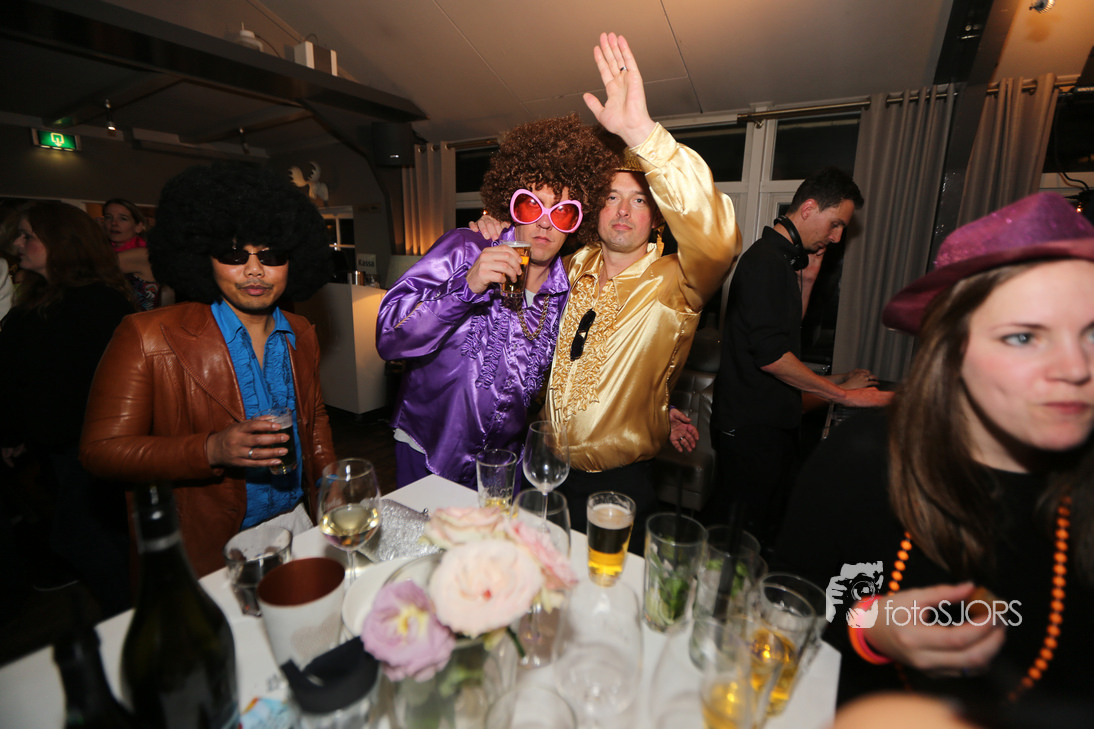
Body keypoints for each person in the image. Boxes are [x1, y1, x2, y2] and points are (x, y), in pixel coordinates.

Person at [775, 193, 1094, 714]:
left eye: (1092, 334)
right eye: (1023, 337)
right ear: (952, 350)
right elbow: (784, 605)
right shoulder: (862, 460)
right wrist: (869, 629)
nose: (1076, 368)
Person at [477, 34, 741, 547]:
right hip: (542, 472)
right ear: (595, 208)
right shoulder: (566, 268)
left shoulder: (678, 283)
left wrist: (642, 133)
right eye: (612, 197)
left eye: (639, 201)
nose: (622, 211)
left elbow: (717, 240)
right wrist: (493, 229)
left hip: (619, 485)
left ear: (657, 216)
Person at [80, 163, 337, 578]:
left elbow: (314, 417)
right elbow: (101, 450)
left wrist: (330, 483)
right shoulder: (147, 336)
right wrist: (210, 450)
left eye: (271, 255)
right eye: (234, 255)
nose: (254, 270)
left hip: (296, 521)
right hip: (206, 544)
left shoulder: (301, 332)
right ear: (203, 257)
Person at [376, 114, 615, 488]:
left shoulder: (566, 295)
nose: (545, 223)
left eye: (563, 211)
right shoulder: (465, 248)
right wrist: (467, 287)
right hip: (428, 451)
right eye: (532, 205)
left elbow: (579, 377)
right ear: (511, 205)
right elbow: (390, 336)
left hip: (504, 466)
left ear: (576, 222)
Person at [709, 167, 891, 546]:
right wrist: (845, 396)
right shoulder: (765, 262)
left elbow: (785, 333)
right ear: (808, 209)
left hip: (770, 425)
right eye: (835, 224)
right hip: (750, 429)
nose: (837, 237)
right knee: (736, 539)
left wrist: (807, 282)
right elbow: (772, 356)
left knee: (760, 532)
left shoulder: (784, 262)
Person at [0, 201, 137, 615]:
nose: (18, 244)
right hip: (58, 448)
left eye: (29, 236)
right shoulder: (37, 300)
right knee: (96, 538)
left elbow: (107, 381)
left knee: (80, 539)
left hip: (90, 444)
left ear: (61, 242)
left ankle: (136, 615)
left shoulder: (96, 302)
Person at [101, 198, 173, 310]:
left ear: (138, 227)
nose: (114, 223)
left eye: (123, 219)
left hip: (137, 318)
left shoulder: (143, 253)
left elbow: (88, 268)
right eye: (108, 217)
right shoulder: (104, 250)